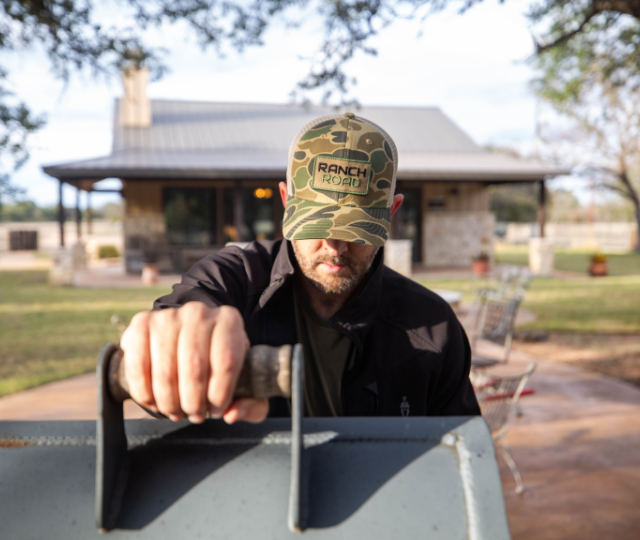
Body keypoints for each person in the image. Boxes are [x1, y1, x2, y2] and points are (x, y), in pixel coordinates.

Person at [120, 113, 480, 425]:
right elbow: (184, 317)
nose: (335, 246)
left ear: (392, 213)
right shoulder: (232, 279)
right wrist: (176, 340)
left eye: (357, 228)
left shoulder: (433, 329)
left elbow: (459, 456)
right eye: (317, 224)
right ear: (285, 201)